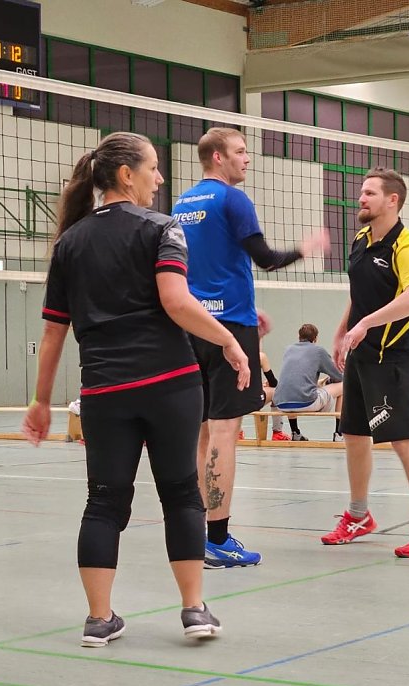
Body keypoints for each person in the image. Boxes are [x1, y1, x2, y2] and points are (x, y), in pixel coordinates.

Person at [22, 132, 251, 646]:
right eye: (153, 168)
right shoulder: (161, 228)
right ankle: (194, 610)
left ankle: (98, 619)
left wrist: (40, 401)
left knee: (104, 501)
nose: (160, 179)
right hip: (169, 384)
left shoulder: (69, 243)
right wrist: (229, 342)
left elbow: (54, 332)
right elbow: (176, 302)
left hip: (104, 392)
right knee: (181, 493)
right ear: (127, 175)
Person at [172, 127, 329, 568]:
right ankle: (217, 540)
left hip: (192, 324)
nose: (247, 158)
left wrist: (242, 305)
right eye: (241, 151)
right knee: (226, 431)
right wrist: (305, 248)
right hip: (229, 328)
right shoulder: (233, 199)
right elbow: (266, 258)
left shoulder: (181, 204)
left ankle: (198, 534)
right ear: (218, 157)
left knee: (203, 431)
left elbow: (194, 267)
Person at [321, 167, 409, 558]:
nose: (361, 198)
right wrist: (342, 331)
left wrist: (366, 324)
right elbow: (357, 293)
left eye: (370, 193)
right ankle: (358, 515)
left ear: (392, 200)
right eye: (362, 192)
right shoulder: (361, 238)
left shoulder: (405, 245)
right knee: (354, 434)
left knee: (403, 439)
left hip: (392, 354)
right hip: (361, 352)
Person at [273, 323, 344, 441]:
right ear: (315, 338)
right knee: (343, 386)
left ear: (299, 337)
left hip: (281, 403)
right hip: (306, 402)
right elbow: (339, 377)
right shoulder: (318, 351)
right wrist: (330, 381)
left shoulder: (289, 350)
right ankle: (339, 433)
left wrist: (319, 383)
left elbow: (296, 379)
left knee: (291, 392)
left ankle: (295, 432)